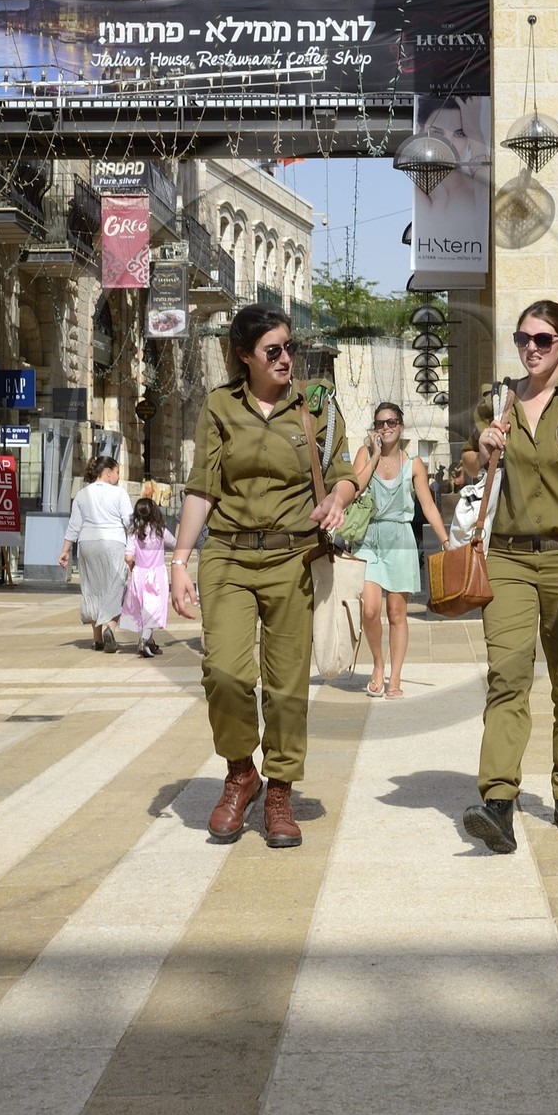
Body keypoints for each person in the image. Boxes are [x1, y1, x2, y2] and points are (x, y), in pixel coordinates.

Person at [170, 303, 357, 850]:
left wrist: (338, 502)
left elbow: (344, 472)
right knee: (225, 673)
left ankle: (279, 790)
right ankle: (238, 771)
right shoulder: (219, 406)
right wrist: (180, 561)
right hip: (226, 555)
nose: (285, 358)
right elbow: (202, 487)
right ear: (244, 355)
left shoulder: (315, 405)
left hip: (293, 557)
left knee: (286, 686)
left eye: (289, 347)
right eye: (272, 350)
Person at [461, 300, 558, 853]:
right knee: (507, 677)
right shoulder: (495, 399)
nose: (531, 348)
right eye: (523, 338)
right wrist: (481, 450)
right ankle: (498, 802)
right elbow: (467, 470)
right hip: (505, 558)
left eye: (543, 339)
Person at [352, 402, 450, 698]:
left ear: (401, 426)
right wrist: (374, 455)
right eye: (380, 423)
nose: (386, 427)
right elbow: (354, 488)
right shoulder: (365, 454)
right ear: (375, 428)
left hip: (400, 539)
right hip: (369, 536)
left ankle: (395, 676)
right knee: (369, 610)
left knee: (396, 612)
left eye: (392, 422)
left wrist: (445, 540)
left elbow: (428, 505)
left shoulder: (414, 463)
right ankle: (378, 665)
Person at [58, 455, 133, 651]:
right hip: (113, 542)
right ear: (108, 473)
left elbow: (74, 526)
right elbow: (129, 523)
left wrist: (65, 550)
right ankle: (110, 626)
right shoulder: (120, 494)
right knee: (118, 586)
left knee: (93, 589)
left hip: (87, 543)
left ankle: (97, 638)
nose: (118, 476)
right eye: (117, 472)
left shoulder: (82, 494)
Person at [121, 495, 176, 658]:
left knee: (145, 608)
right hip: (156, 575)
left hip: (139, 573)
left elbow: (128, 557)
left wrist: (133, 567)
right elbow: (175, 543)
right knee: (154, 609)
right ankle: (145, 640)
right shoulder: (160, 531)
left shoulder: (133, 533)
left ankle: (150, 642)